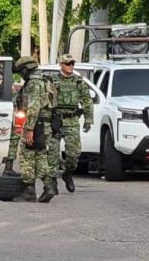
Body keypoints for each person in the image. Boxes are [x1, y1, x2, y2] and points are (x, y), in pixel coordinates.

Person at [48, 54, 94, 194]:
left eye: (72, 64)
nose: (71, 66)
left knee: (73, 155)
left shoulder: (79, 82)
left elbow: (87, 101)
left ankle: (67, 174)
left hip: (72, 121)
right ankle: (52, 183)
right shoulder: (51, 80)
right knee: (52, 155)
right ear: (61, 65)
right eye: (68, 64)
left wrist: (88, 119)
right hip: (55, 120)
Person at [13, 55, 56, 203]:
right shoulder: (45, 80)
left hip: (35, 124)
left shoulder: (33, 83)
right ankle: (49, 187)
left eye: (21, 72)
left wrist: (29, 129)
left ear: (26, 69)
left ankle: (29, 191)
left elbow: (33, 107)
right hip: (45, 125)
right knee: (41, 157)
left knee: (26, 157)